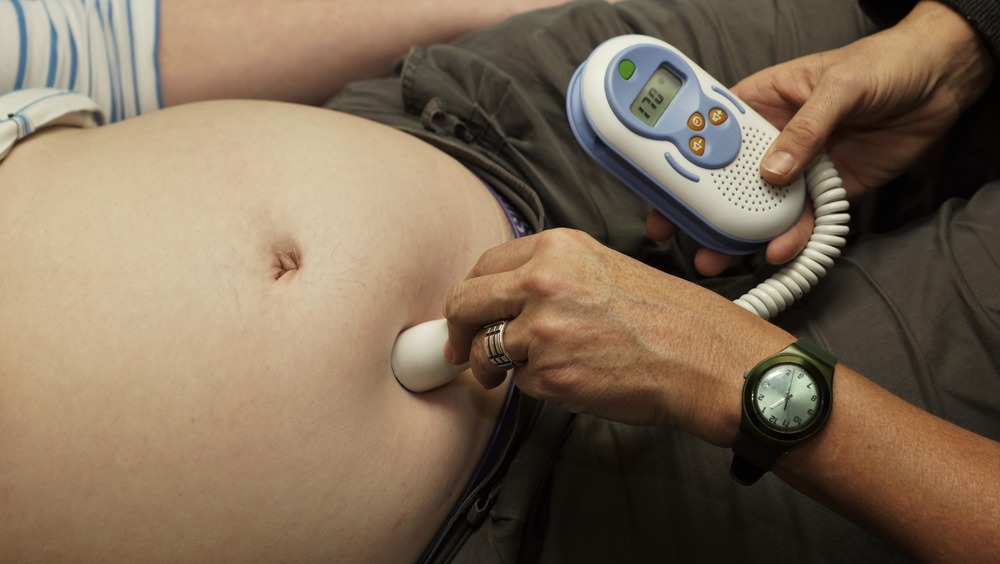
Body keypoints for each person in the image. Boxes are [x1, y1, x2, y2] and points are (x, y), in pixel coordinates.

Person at [0, 1, 996, 563]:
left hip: (516, 117)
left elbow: (111, 42)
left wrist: (961, 38)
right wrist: (739, 379)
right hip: (570, 517)